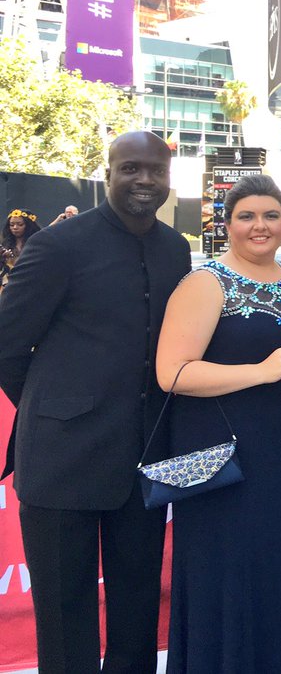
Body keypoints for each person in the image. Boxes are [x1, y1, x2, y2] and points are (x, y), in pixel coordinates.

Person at [0, 132, 190, 674]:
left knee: (136, 610)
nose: (144, 181)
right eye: (130, 168)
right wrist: (54, 406)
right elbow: (8, 347)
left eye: (155, 171)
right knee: (64, 615)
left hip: (142, 460)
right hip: (61, 461)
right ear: (107, 173)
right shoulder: (58, 245)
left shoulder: (175, 248)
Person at [156, 174, 281, 673]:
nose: (260, 226)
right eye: (247, 216)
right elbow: (173, 372)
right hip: (227, 463)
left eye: (271, 215)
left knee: (280, 572)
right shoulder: (205, 283)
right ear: (225, 224)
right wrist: (259, 372)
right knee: (229, 576)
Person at [1, 208, 42, 276]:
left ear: (29, 226)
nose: (15, 227)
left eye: (20, 224)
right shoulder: (4, 244)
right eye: (11, 225)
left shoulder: (36, 243)